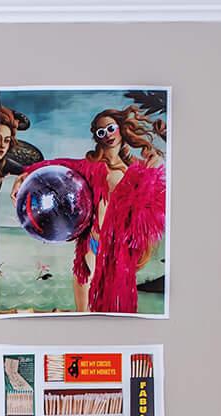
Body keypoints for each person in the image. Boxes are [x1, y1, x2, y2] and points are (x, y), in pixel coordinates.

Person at [21, 105, 167, 314]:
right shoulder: (90, 166)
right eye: (101, 132)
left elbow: (146, 212)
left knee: (118, 309)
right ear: (96, 138)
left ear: (121, 128)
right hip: (92, 243)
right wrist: (25, 175)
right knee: (86, 313)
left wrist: (150, 176)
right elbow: (57, 164)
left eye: (110, 128)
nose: (107, 135)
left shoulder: (137, 169)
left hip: (120, 250)